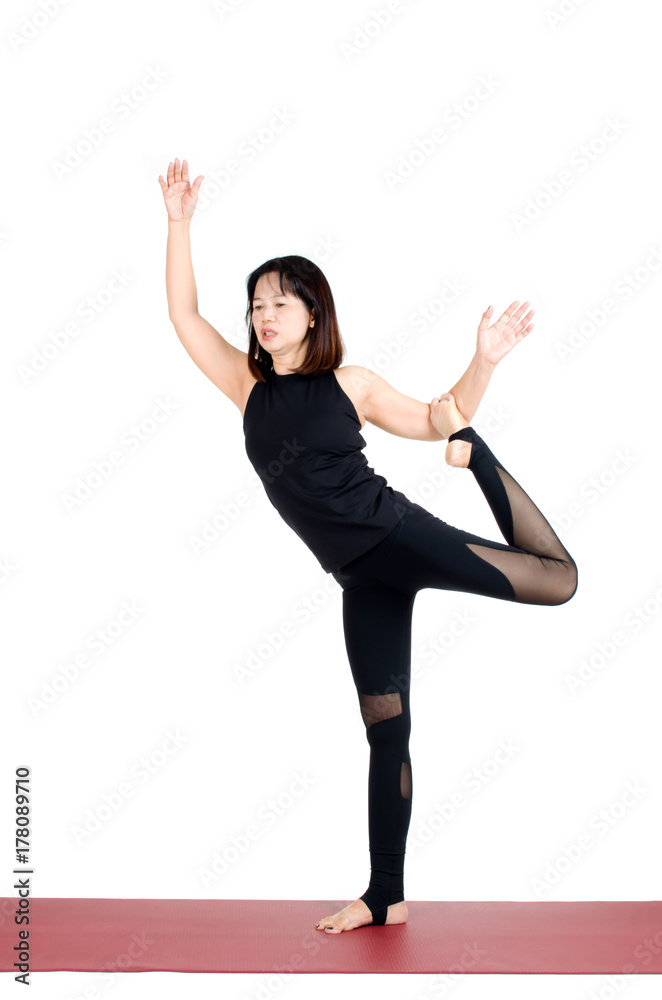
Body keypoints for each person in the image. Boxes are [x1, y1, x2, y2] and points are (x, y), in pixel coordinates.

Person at [159, 158, 578, 935]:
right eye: (256, 305)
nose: (264, 316)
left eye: (280, 303)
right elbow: (185, 317)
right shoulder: (248, 390)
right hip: (360, 578)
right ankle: (386, 894)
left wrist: (483, 362)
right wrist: (181, 221)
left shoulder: (350, 383)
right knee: (387, 728)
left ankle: (484, 462)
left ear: (313, 313)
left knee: (557, 582)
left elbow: (435, 417)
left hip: (400, 536)